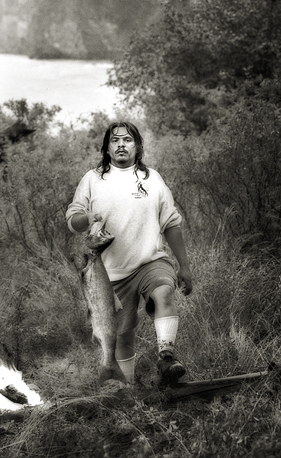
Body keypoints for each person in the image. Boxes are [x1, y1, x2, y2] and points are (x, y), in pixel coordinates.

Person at [66, 121, 193, 386]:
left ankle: (167, 358)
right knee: (122, 336)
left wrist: (184, 266)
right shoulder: (92, 179)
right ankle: (127, 390)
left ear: (137, 146)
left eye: (127, 140)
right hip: (108, 274)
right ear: (107, 148)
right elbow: (73, 220)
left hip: (150, 261)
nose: (121, 145)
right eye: (115, 140)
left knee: (164, 291)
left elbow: (171, 222)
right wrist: (87, 217)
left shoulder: (152, 178)